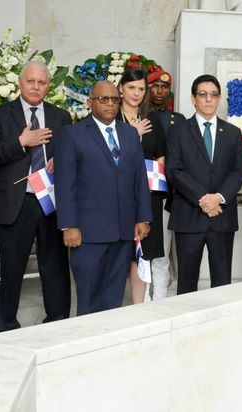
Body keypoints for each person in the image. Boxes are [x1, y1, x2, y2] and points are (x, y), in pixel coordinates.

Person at [0, 61, 71, 332]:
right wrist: (21, 143)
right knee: (12, 269)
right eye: (30, 81)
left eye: (41, 82)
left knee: (55, 266)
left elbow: (73, 154)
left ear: (48, 86)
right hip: (15, 203)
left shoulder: (61, 116)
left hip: (51, 201)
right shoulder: (0, 115)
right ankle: (7, 325)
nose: (35, 86)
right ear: (20, 83)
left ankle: (57, 321)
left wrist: (61, 160)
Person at [55, 80, 152, 315]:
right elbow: (65, 183)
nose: (110, 104)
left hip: (122, 231)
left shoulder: (129, 134)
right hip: (87, 233)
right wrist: (68, 225)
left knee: (114, 297)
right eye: (103, 99)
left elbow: (139, 178)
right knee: (89, 297)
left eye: (114, 99)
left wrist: (143, 217)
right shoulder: (73, 134)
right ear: (90, 103)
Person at [166, 74, 242, 294]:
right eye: (203, 94)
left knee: (222, 284)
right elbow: (174, 170)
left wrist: (218, 198)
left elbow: (238, 171)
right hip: (189, 218)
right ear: (193, 99)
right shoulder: (178, 131)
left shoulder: (232, 133)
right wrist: (204, 199)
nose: (208, 99)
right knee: (187, 285)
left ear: (219, 99)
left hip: (222, 218)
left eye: (213, 95)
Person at [116, 68, 166, 303]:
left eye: (140, 89)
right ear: (121, 89)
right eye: (131, 88)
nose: (136, 93)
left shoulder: (152, 119)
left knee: (143, 253)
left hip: (147, 195)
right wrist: (131, 135)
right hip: (117, 194)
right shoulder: (112, 118)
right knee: (119, 250)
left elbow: (161, 156)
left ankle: (139, 306)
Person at [147, 69, 186, 300]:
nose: (160, 91)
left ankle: (160, 296)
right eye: (155, 86)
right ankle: (143, 296)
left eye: (164, 87)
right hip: (142, 189)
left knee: (163, 248)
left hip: (168, 192)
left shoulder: (178, 120)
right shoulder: (136, 116)